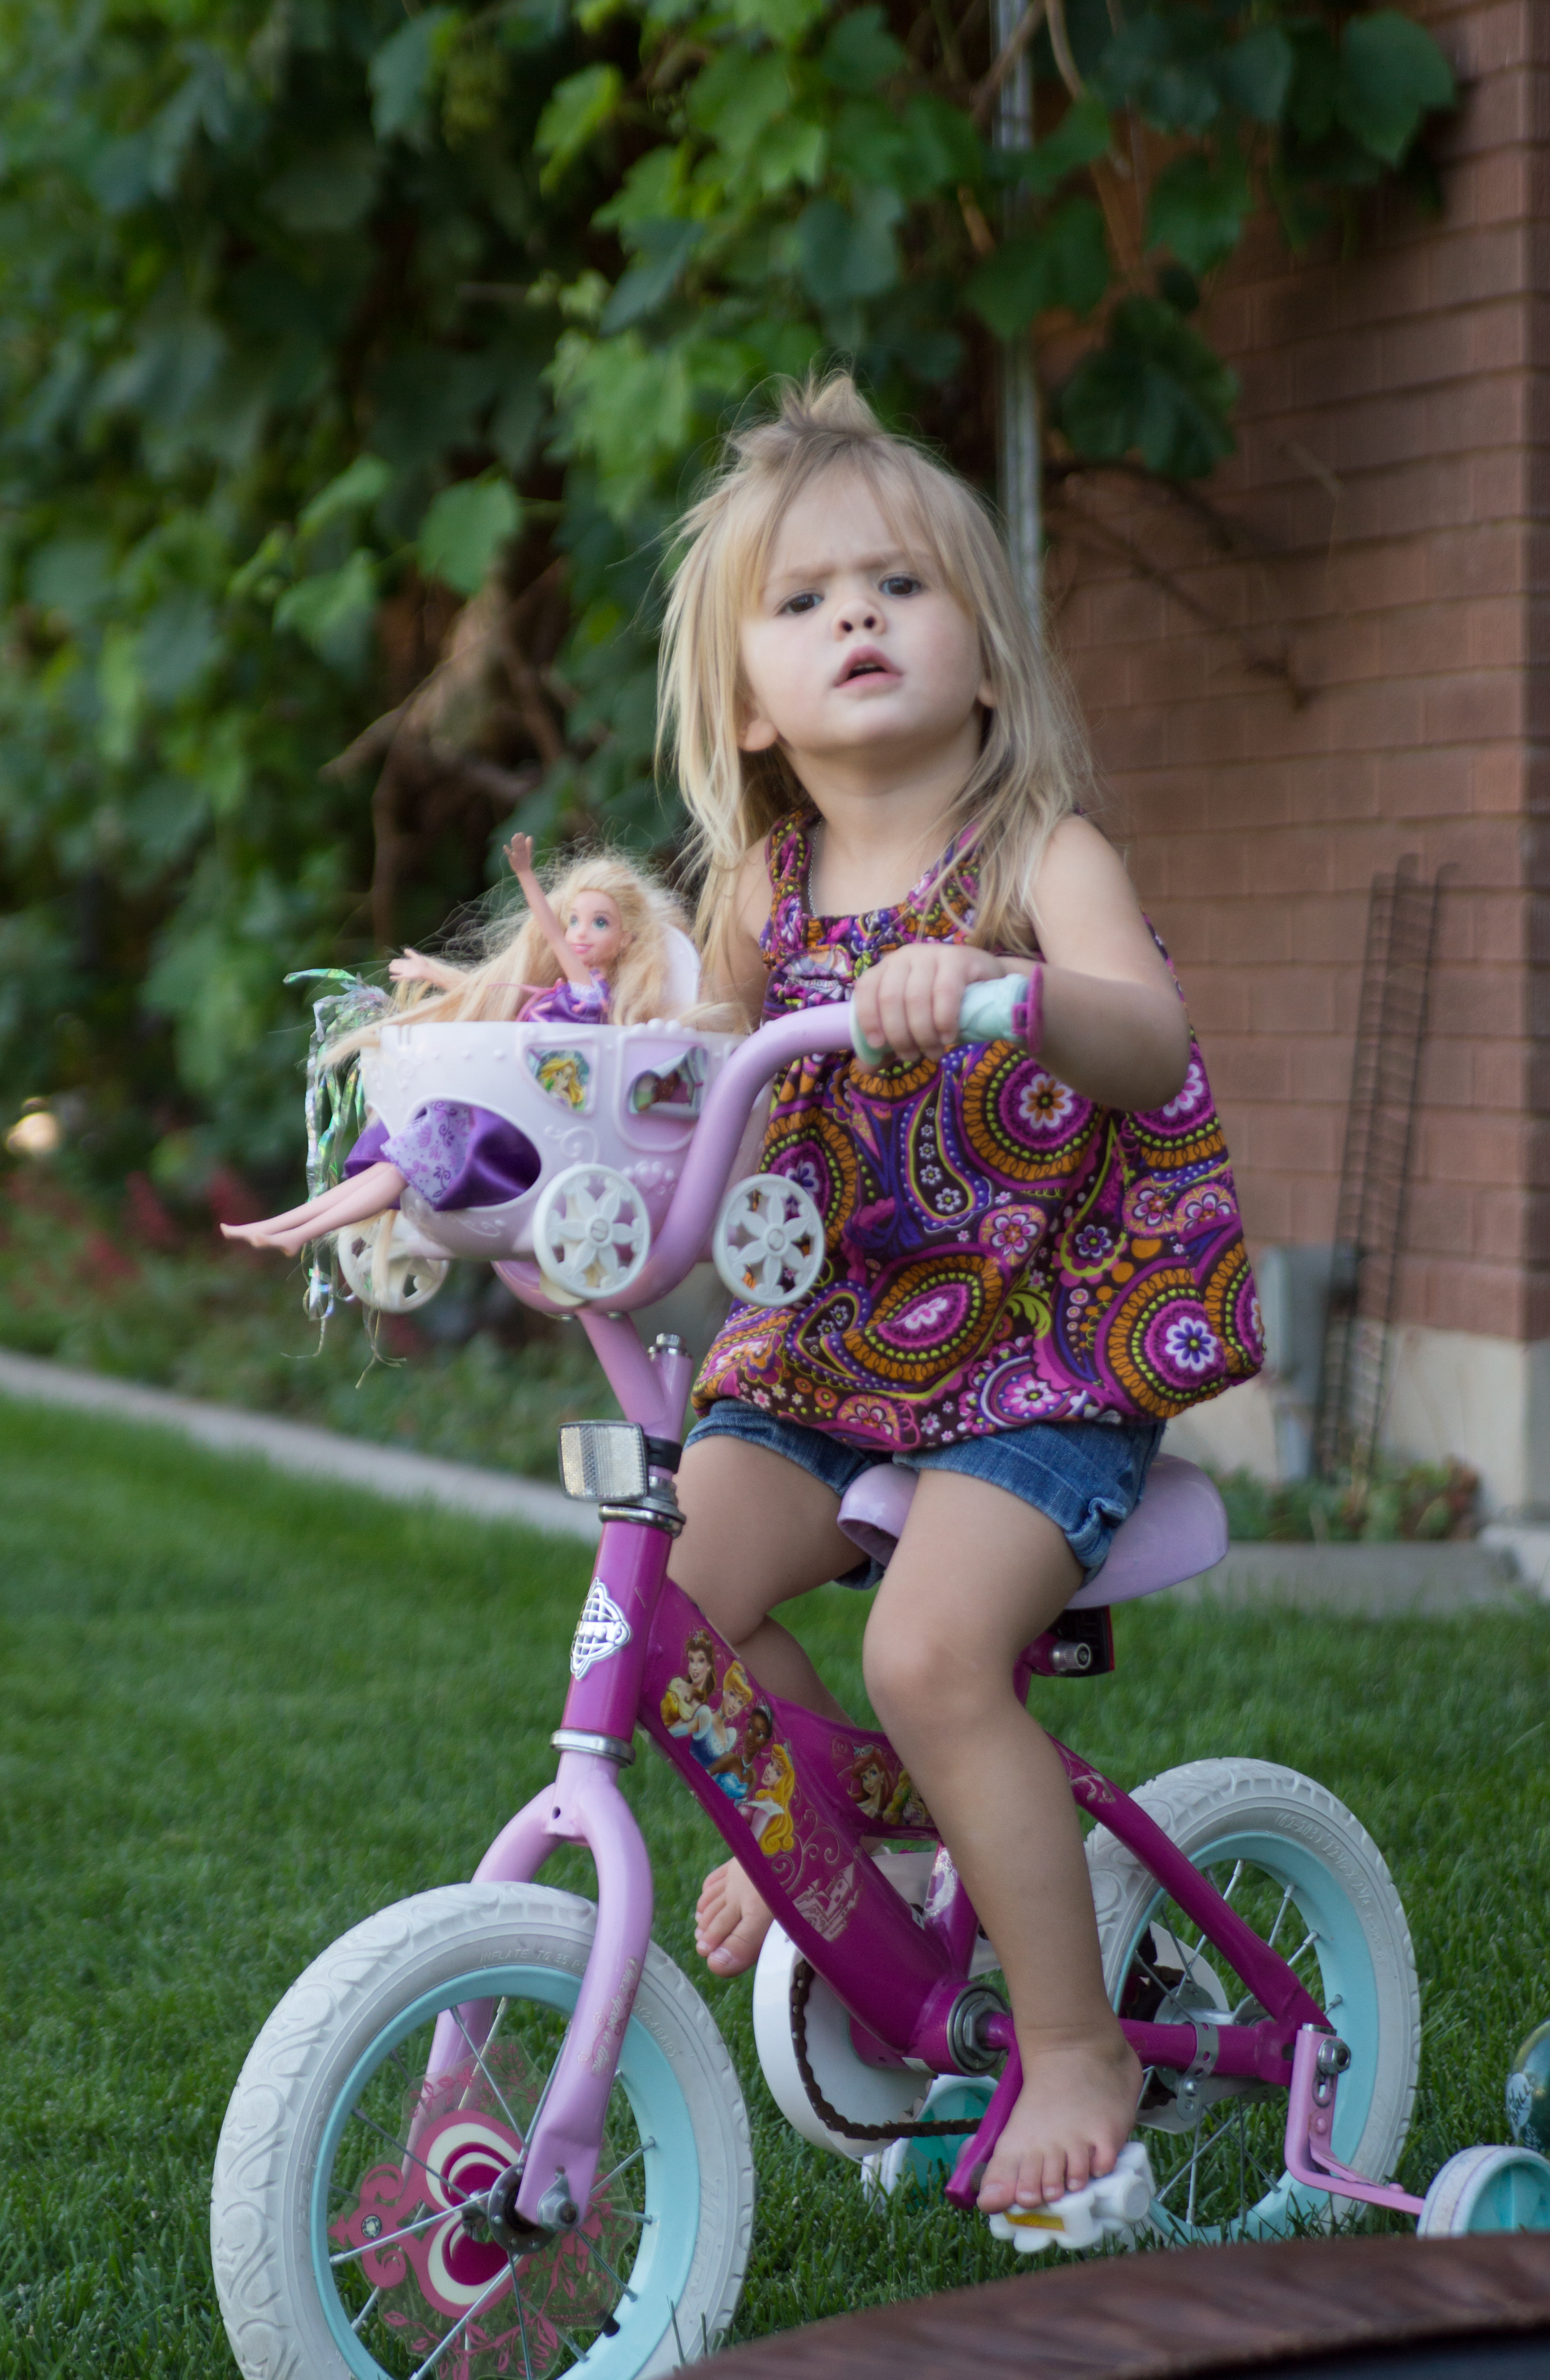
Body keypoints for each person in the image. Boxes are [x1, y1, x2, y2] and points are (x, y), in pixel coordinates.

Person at [659, 373, 1261, 2218]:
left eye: (900, 586)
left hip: (1049, 1342)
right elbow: (678, 1095)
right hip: (840, 1344)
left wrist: (1011, 993)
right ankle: (830, 1840)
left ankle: (1073, 2043)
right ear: (747, 703)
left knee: (927, 1657)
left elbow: (1147, 1038)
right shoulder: (754, 894)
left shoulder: (1037, 854)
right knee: (676, 1609)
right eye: (806, 600)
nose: (857, 616)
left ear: (985, 658)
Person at [221, 836, 697, 1255]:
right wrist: (432, 973)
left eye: (599, 923)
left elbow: (549, 933)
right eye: (575, 920)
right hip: (507, 1109)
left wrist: (526, 876)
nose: (580, 933)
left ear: (627, 939)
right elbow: (494, 993)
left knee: (395, 1168)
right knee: (392, 1163)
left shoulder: (589, 994)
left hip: (519, 1125)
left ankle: (298, 1231)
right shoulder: (564, 993)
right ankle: (287, 1226)